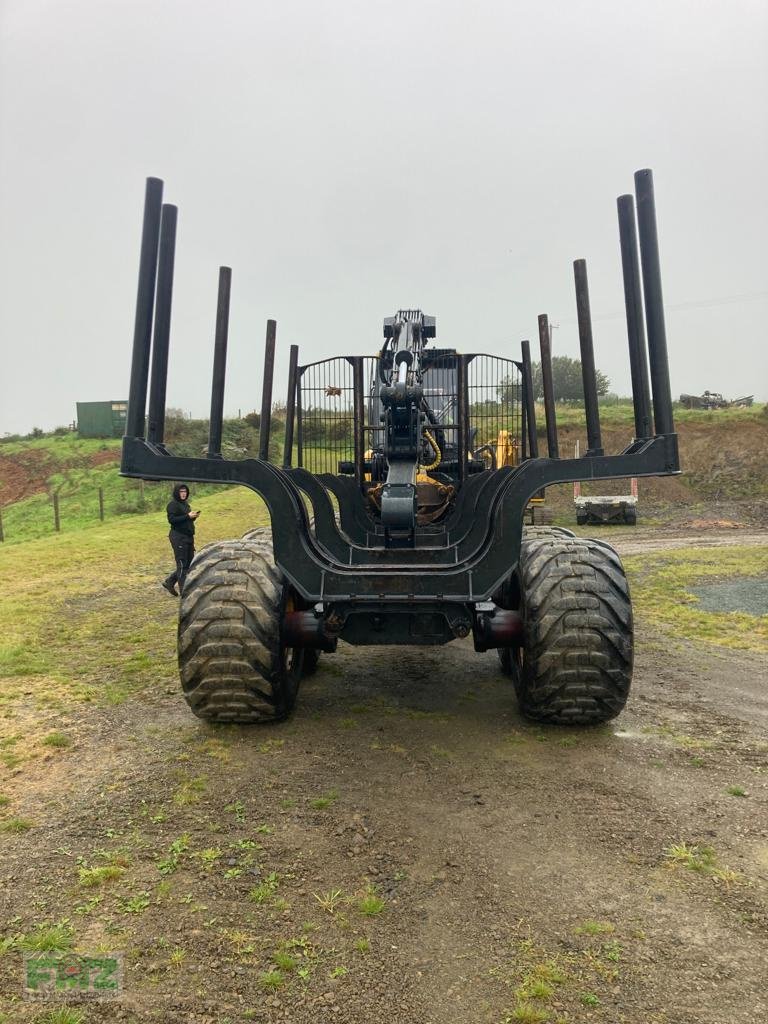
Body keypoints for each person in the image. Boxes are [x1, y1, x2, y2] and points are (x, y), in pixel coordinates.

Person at [162, 483, 200, 596]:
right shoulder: (172, 505)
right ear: (177, 493)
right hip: (178, 537)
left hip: (188, 537)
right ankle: (185, 593)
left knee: (189, 563)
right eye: (181, 492)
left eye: (185, 492)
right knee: (182, 564)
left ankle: (170, 582)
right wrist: (187, 516)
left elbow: (185, 520)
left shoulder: (185, 504)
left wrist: (192, 517)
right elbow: (172, 520)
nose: (183, 494)